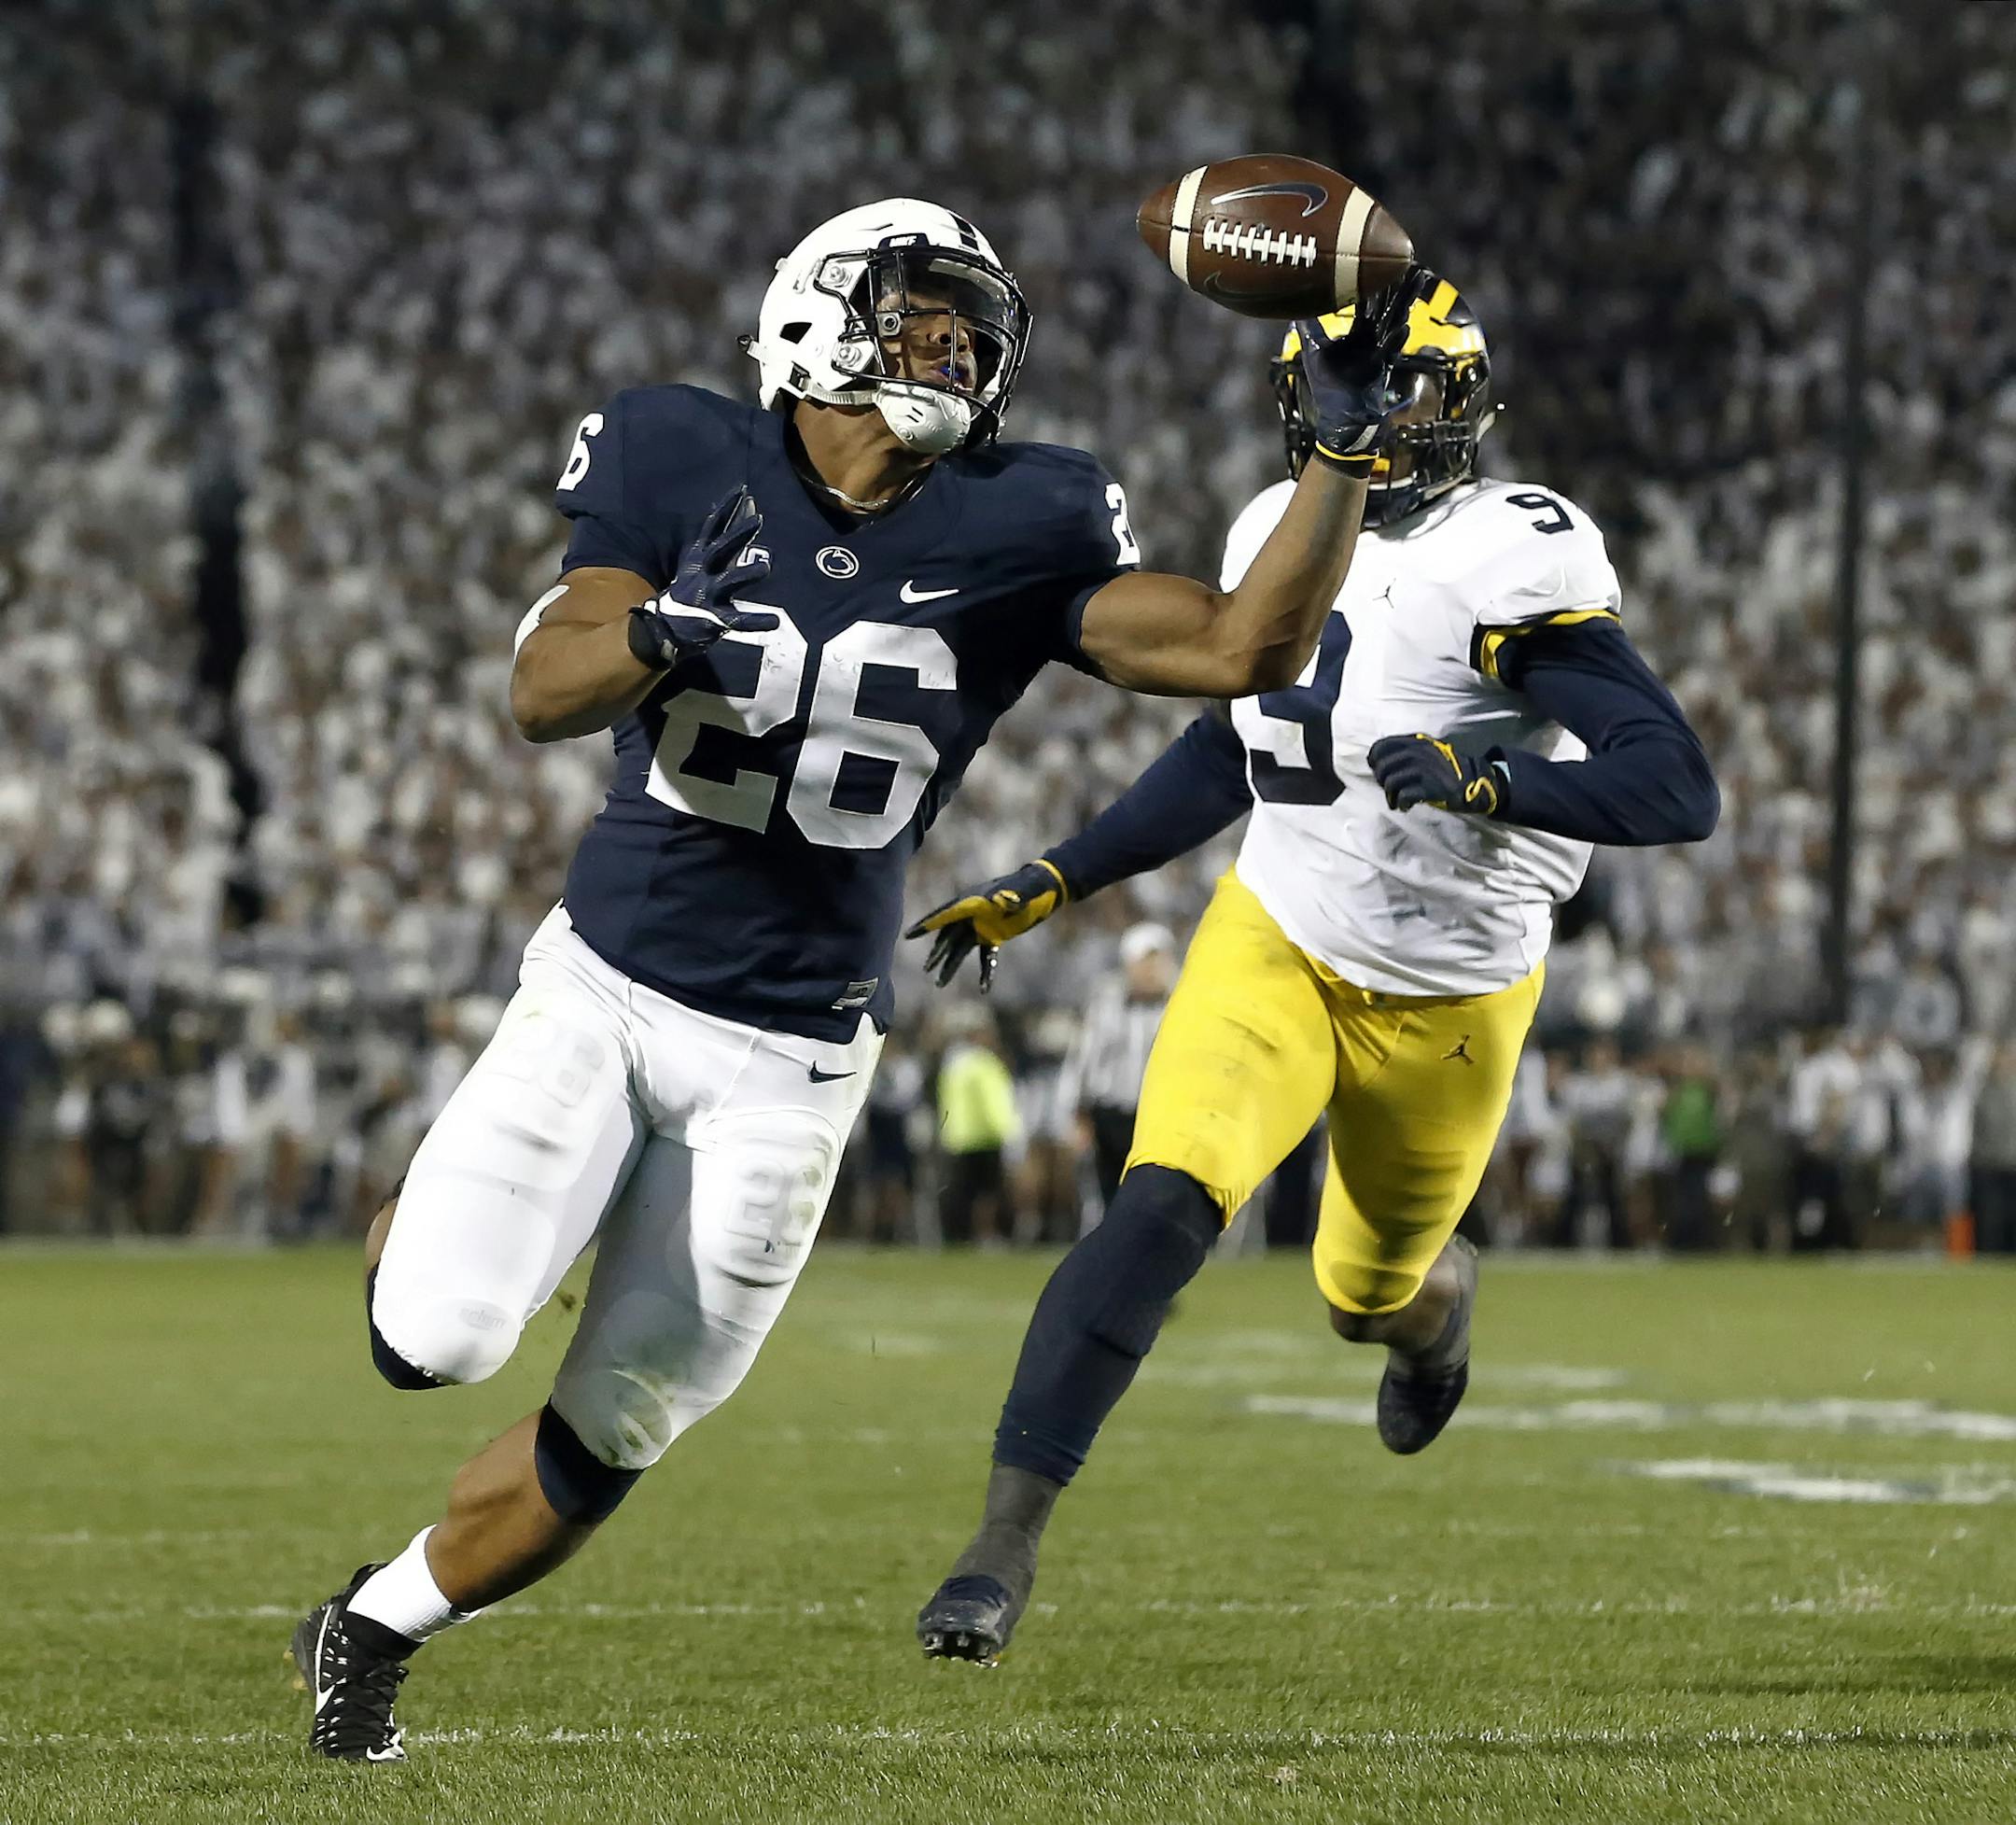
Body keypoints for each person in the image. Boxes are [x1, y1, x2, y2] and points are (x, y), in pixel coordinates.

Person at [288, 198, 1425, 1761]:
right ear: (818, 315)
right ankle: (433, 1219)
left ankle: (371, 1625)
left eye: (973, 327)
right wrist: (661, 632)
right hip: (611, 990)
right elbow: (542, 690)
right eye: (923, 314)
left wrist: (1342, 454)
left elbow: (1246, 652)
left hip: (798, 1057)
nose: (957, 349)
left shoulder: (1027, 514)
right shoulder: (678, 449)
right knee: (436, 1336)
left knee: (617, 1430)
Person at [906, 277, 1720, 1664]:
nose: (1386, 420)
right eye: (1362, 394)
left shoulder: (1506, 556)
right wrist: (1061, 873)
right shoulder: (1273, 528)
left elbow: (1675, 782)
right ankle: (1002, 1540)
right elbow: (1236, 746)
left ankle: (1436, 1312)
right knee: (1162, 1204)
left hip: (1454, 998)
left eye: (1413, 392)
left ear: (1464, 407)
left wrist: (1495, 779)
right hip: (1277, 939)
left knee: (1366, 1294)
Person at [1057, 921, 1177, 1217]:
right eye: (1145, 962)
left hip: (1160, 1116)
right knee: (1109, 1197)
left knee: (1156, 1196)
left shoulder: (1181, 1007)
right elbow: (1082, 1060)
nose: (1151, 970)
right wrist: (1076, 1112)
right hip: (1111, 1114)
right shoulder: (1105, 1005)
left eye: (1157, 961)